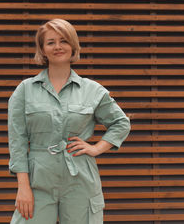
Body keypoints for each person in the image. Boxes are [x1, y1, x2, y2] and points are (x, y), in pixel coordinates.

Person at [8, 19, 131, 224]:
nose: (58, 47)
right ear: (42, 49)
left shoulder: (92, 90)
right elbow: (17, 141)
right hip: (38, 180)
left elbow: (121, 123)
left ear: (73, 46)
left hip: (80, 177)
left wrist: (96, 148)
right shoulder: (25, 90)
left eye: (64, 41)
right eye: (51, 42)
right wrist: (23, 187)